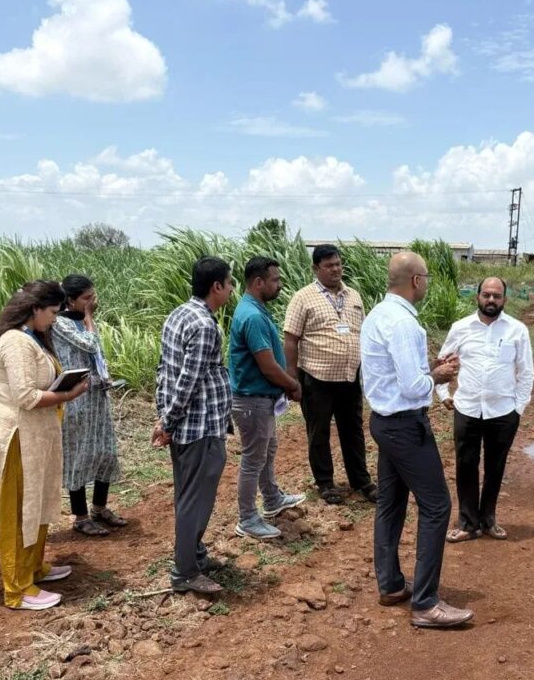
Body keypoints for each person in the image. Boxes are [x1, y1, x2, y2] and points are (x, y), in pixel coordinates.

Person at [360, 251, 473, 629]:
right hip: (405, 426)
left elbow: (395, 375)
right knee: (437, 505)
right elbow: (412, 387)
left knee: (391, 503)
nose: (426, 283)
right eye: (426, 277)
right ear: (415, 280)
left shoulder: (378, 315)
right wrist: (439, 376)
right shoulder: (404, 323)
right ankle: (426, 603)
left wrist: (430, 370)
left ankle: (391, 584)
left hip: (384, 421)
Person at [0, 281, 89, 611]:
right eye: (52, 312)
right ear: (35, 309)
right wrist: (67, 394)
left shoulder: (32, 337)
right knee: (18, 509)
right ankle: (17, 588)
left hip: (35, 436)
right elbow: (26, 396)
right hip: (16, 437)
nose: (55, 319)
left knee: (36, 502)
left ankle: (33, 567)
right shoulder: (16, 342)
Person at [152, 257, 236, 595]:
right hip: (199, 427)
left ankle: (195, 555)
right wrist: (168, 421)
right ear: (216, 286)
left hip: (187, 425)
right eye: (229, 284)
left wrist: (164, 416)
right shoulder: (204, 325)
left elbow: (165, 371)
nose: (231, 290)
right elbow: (188, 380)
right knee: (194, 500)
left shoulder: (179, 314)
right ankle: (185, 571)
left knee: (189, 495)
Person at [436, 276, 534, 542]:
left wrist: (518, 408)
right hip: (467, 408)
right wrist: (443, 394)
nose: (491, 300)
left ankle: (489, 520)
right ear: (477, 296)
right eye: (486, 295)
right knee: (465, 465)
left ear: (505, 299)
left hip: (503, 411)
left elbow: (526, 372)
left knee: (495, 466)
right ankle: (468, 524)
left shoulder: (517, 330)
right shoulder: (461, 328)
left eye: (497, 296)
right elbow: (443, 362)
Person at [283, 244, 377, 505]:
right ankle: (325, 483)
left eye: (338, 264)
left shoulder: (354, 296)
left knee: (353, 431)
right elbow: (290, 339)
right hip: (317, 379)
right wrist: (292, 378)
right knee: (319, 432)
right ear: (316, 268)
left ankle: (361, 481)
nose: (336, 269)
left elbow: (362, 333)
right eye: (329, 266)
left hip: (349, 377)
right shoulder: (303, 298)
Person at [229, 256, 306, 541]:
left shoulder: (255, 310)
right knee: (253, 459)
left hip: (260, 399)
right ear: (259, 282)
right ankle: (247, 518)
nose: (280, 285)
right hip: (252, 401)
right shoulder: (251, 316)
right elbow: (268, 366)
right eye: (275, 280)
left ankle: (272, 498)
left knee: (267, 450)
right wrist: (292, 384)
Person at [52, 274, 124, 537]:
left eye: (93, 296)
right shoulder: (60, 323)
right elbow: (90, 344)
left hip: (96, 395)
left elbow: (97, 353)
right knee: (79, 455)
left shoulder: (81, 321)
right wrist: (90, 318)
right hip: (76, 397)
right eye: (87, 298)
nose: (93, 302)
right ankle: (81, 516)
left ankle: (100, 507)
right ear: (70, 300)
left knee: (105, 451)